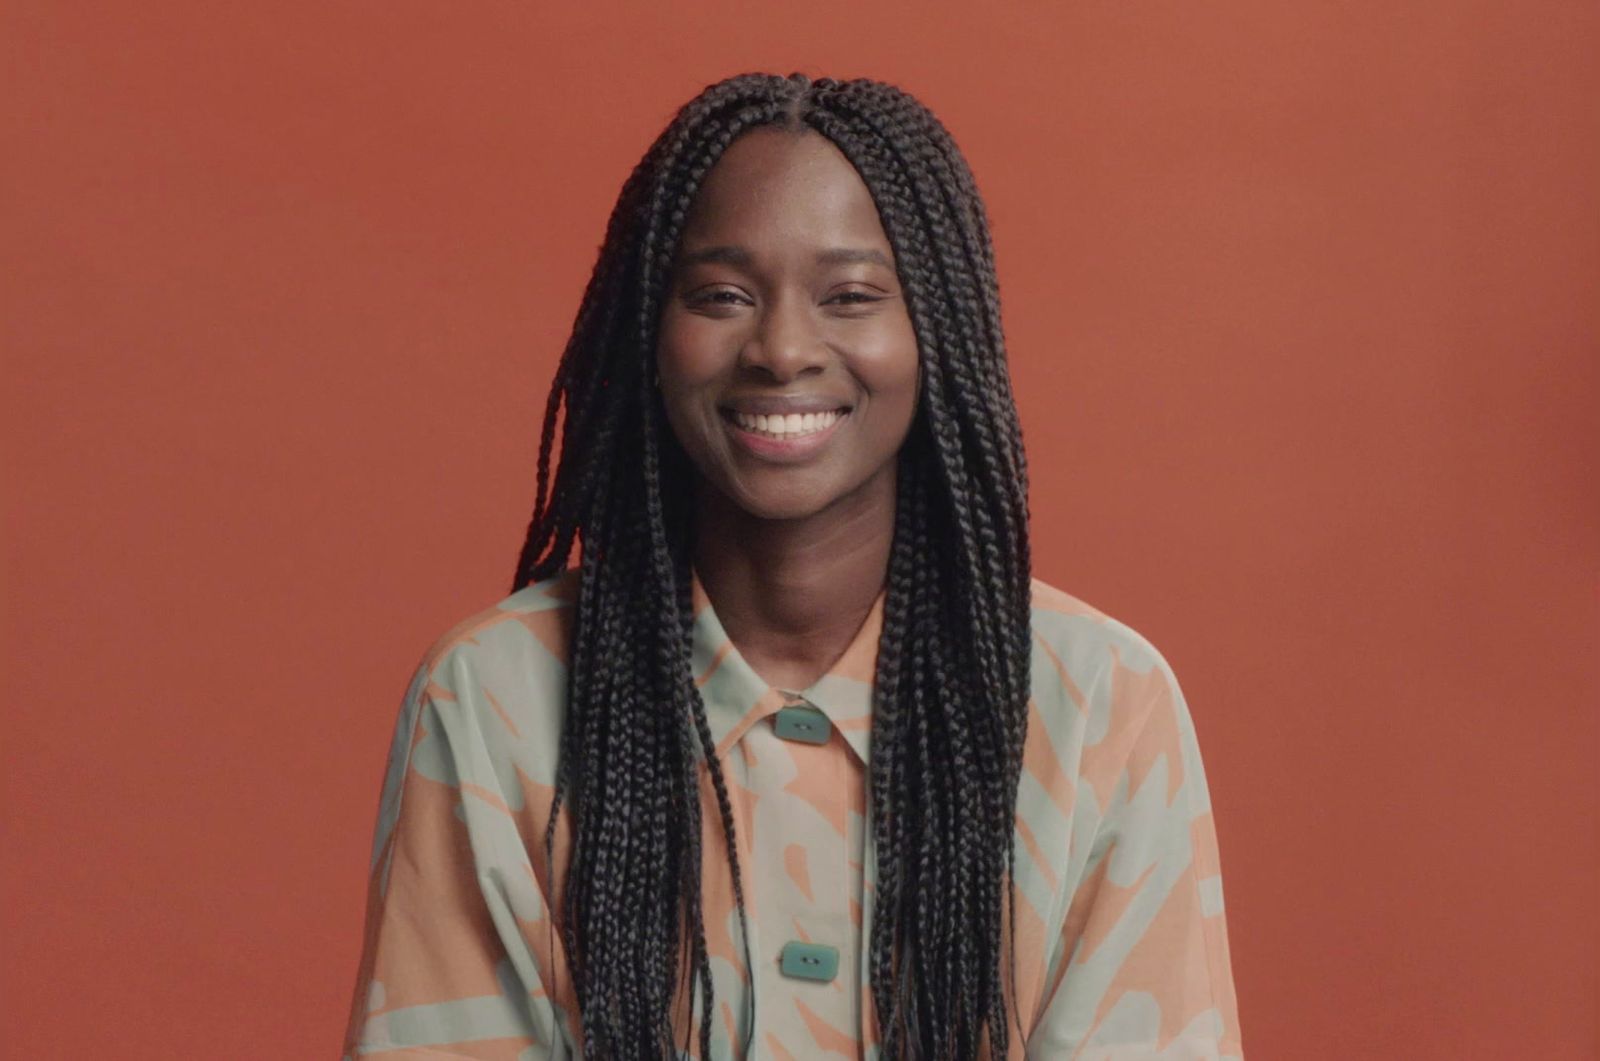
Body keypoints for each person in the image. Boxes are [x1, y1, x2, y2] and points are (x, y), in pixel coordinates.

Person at [341, 72, 1242, 1060]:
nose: (780, 347)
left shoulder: (1099, 706)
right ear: (648, 331)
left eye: (850, 296)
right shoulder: (494, 698)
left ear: (936, 331)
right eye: (721, 295)